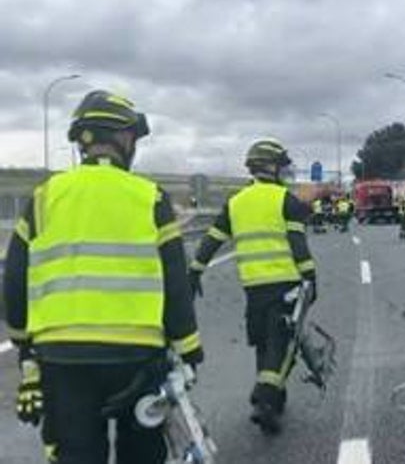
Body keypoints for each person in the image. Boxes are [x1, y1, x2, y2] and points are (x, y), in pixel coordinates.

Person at [2, 90, 203, 464]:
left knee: (75, 455)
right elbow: (174, 279)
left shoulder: (45, 197)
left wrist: (25, 350)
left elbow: (14, 277)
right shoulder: (150, 197)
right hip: (137, 358)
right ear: (125, 139)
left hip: (62, 360)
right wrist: (189, 347)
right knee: (142, 454)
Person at [188, 138, 316, 435]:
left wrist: (194, 271)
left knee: (263, 342)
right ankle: (265, 398)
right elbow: (298, 244)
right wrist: (310, 277)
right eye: (281, 166)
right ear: (272, 167)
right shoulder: (286, 200)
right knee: (283, 344)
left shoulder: (235, 203)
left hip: (253, 288)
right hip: (285, 283)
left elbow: (212, 240)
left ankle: (274, 395)